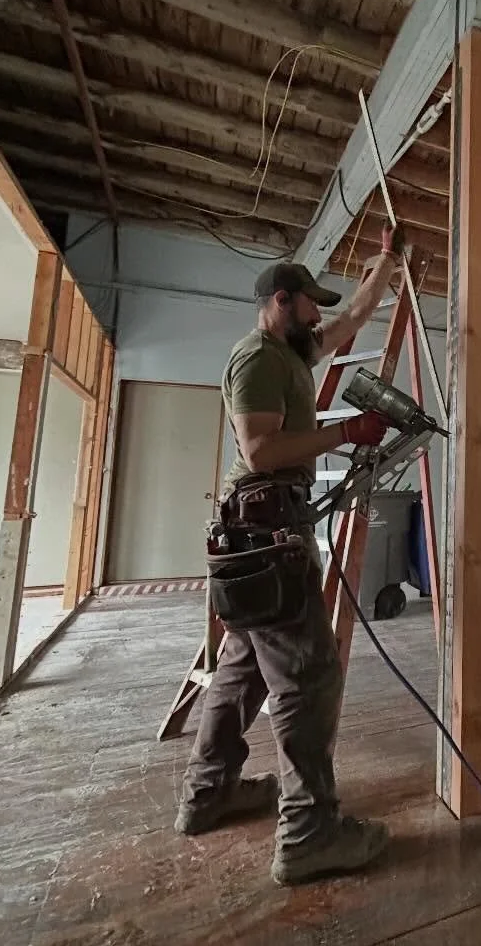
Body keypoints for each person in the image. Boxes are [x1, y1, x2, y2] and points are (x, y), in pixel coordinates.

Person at [175, 221, 403, 889]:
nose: (319, 320)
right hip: (264, 532)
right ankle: (308, 834)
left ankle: (208, 794)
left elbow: (358, 314)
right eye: (311, 307)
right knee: (308, 676)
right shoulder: (258, 359)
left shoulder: (294, 357)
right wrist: (343, 434)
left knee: (241, 671)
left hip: (262, 532)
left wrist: (386, 263)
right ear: (282, 299)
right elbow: (259, 452)